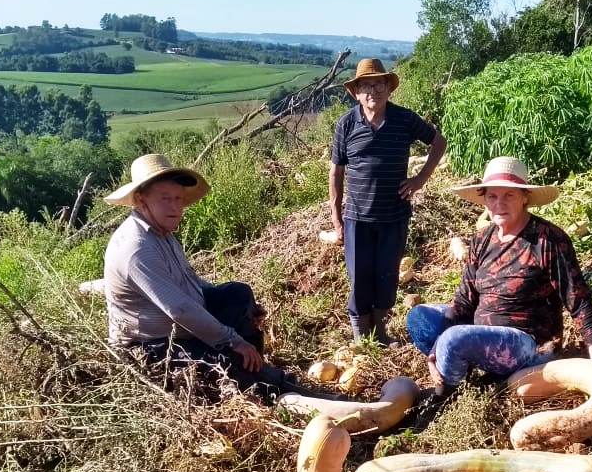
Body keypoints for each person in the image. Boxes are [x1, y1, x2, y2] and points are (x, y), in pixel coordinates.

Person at [406, 156, 592, 397]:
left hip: (528, 344)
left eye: (508, 195)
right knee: (420, 318)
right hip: (482, 333)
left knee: (454, 338)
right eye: (492, 196)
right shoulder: (482, 240)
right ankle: (457, 366)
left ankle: (446, 397)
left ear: (524, 198)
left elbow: (577, 296)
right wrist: (437, 345)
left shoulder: (547, 240)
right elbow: (465, 300)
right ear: (484, 201)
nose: (499, 203)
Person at [102, 153, 308, 400]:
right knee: (227, 359)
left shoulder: (162, 232)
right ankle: (269, 387)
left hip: (180, 326)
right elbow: (179, 309)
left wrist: (246, 311)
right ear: (140, 199)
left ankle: (254, 366)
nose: (175, 207)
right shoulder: (137, 248)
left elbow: (190, 281)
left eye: (178, 198)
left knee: (237, 294)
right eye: (165, 199)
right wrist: (232, 339)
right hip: (152, 346)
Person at [329, 58, 447, 344]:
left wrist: (420, 179)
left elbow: (438, 142)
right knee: (359, 277)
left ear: (388, 89)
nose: (374, 90)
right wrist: (336, 216)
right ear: (356, 92)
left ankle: (380, 332)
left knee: (387, 275)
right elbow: (337, 171)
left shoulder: (404, 119)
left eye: (379, 83)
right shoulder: (346, 124)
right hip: (357, 216)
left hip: (394, 214)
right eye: (366, 85)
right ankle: (362, 336)